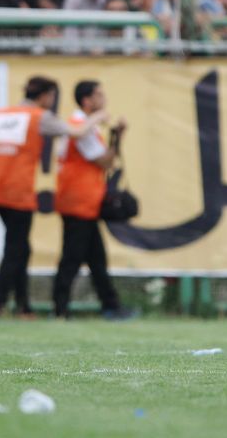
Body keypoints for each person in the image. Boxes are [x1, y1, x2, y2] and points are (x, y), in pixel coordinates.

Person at [0, 76, 108, 317]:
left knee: (20, 248)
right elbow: (77, 131)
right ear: (45, 96)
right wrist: (98, 117)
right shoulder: (39, 116)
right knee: (15, 250)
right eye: (52, 97)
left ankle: (22, 306)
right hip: (19, 193)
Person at [52, 81, 134, 320]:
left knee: (96, 259)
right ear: (87, 100)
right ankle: (61, 309)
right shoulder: (81, 125)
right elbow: (105, 161)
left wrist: (117, 136)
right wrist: (112, 132)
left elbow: (105, 159)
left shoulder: (85, 125)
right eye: (99, 94)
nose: (103, 98)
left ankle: (110, 306)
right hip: (78, 201)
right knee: (72, 258)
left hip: (84, 201)